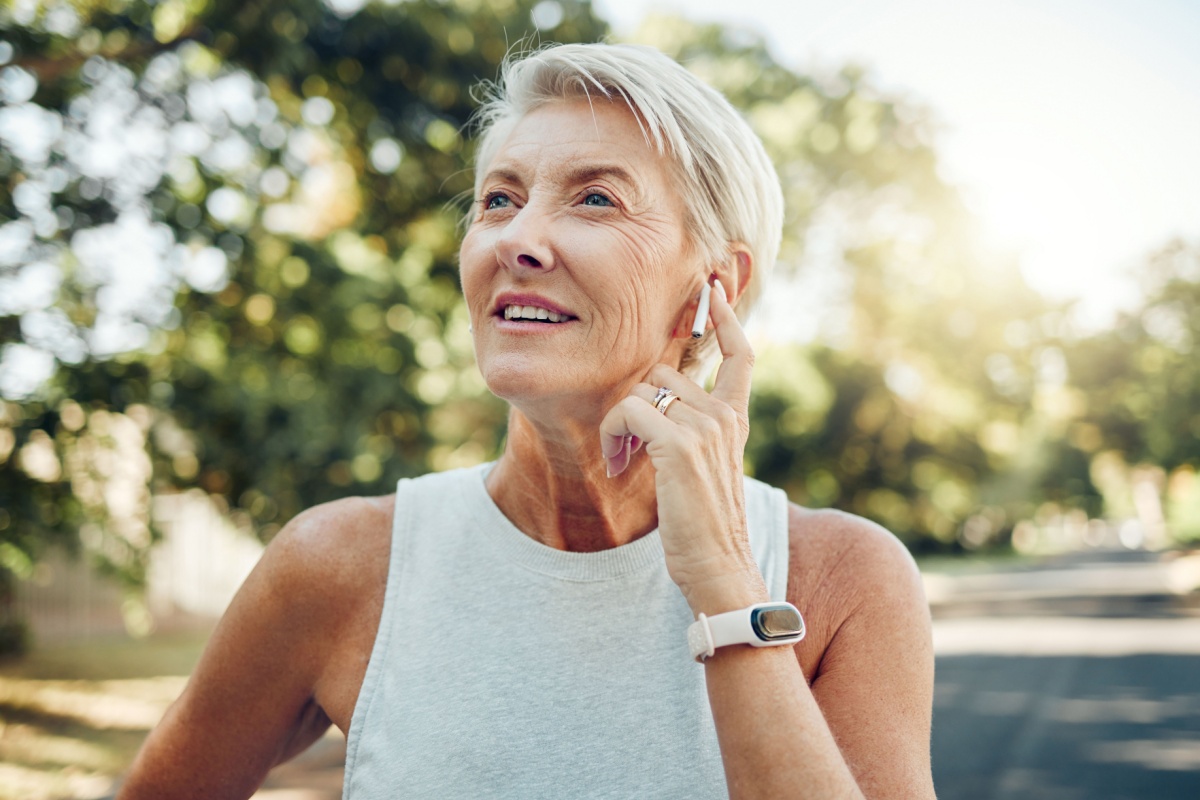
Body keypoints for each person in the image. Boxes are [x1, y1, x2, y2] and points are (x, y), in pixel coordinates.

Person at [119, 42, 935, 799]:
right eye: (498, 199)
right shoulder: (335, 566)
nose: (519, 239)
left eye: (596, 198)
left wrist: (724, 580)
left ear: (714, 286)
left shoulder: (847, 580)